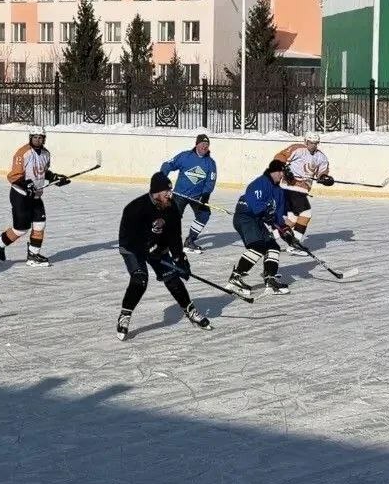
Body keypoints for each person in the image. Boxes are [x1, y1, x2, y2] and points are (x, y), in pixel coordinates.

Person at [115, 173, 211, 341]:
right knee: (140, 279)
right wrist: (147, 248)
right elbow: (127, 238)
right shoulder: (135, 208)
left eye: (170, 191)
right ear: (156, 192)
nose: (169, 194)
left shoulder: (171, 207)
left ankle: (190, 310)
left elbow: (174, 236)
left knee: (172, 277)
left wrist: (179, 258)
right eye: (166, 191)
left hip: (158, 246)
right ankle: (125, 315)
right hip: (132, 248)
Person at [0, 126, 69, 267]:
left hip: (36, 196)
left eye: (40, 138)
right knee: (21, 229)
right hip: (20, 196)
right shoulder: (23, 153)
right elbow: (14, 177)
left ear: (44, 139)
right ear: (30, 138)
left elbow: (43, 172)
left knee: (40, 224)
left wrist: (56, 178)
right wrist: (26, 185)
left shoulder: (46, 154)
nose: (37, 140)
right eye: (35, 137)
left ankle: (33, 255)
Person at [226, 159, 297, 297]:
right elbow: (255, 205)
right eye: (280, 171)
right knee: (258, 247)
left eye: (283, 172)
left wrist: (287, 234)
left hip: (258, 221)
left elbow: (278, 218)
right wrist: (266, 213)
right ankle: (235, 278)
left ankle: (270, 280)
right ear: (273, 171)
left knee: (273, 247)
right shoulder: (260, 183)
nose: (282, 175)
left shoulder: (280, 192)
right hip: (246, 218)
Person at [272, 132, 333, 255]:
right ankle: (295, 245)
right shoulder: (297, 149)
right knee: (306, 213)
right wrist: (285, 169)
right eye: (311, 143)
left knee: (293, 219)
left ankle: (267, 239)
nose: (313, 145)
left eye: (315, 143)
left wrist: (325, 178)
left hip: (302, 190)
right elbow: (279, 157)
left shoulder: (321, 157)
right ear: (306, 142)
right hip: (289, 187)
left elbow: (322, 172)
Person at [159, 133, 218, 254]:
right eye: (202, 143)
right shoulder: (185, 156)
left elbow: (210, 181)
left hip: (197, 197)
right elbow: (168, 165)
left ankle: (190, 241)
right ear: (196, 144)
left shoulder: (210, 163)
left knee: (204, 214)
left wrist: (205, 196)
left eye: (207, 144)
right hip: (180, 195)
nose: (204, 146)